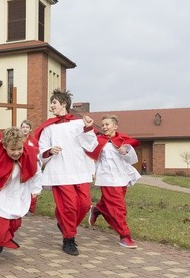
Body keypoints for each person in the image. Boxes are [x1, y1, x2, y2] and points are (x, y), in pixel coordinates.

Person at [35, 88, 97, 256]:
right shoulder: (48, 127)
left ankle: (63, 222)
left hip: (79, 170)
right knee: (69, 207)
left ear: (63, 104)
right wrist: (49, 150)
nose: (52, 106)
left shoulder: (79, 123)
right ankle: (69, 239)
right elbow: (40, 150)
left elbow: (90, 145)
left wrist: (88, 128)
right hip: (60, 171)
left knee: (84, 204)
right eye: (51, 103)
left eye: (54, 102)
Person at [0, 127, 42, 267]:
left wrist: (36, 189)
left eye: (19, 148)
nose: (17, 152)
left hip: (19, 195)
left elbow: (36, 173)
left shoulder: (29, 153)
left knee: (14, 225)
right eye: (13, 150)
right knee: (0, 230)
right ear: (5, 146)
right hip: (1, 196)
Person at [86, 115, 141, 249]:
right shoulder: (99, 141)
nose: (104, 127)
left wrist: (125, 151)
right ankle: (125, 236)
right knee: (118, 208)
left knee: (113, 204)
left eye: (107, 124)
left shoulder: (122, 140)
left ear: (115, 126)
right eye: (103, 125)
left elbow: (132, 159)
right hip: (108, 179)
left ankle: (98, 209)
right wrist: (92, 172)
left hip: (122, 177)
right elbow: (91, 155)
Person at [20, 119, 40, 213]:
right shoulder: (18, 140)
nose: (25, 129)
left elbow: (38, 152)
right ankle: (21, 205)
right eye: (23, 127)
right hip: (21, 166)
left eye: (27, 127)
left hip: (32, 165)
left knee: (33, 186)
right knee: (22, 187)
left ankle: (31, 208)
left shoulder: (34, 141)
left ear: (30, 129)